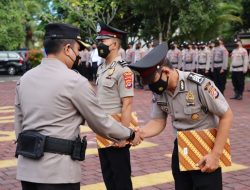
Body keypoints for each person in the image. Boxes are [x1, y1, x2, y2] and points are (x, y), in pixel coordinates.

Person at [14, 23, 141, 190]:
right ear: (67, 49)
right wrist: (130, 134)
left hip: (28, 169)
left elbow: (19, 123)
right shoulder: (74, 81)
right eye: (77, 49)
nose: (78, 55)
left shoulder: (24, 79)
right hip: (59, 172)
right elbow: (99, 121)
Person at [128, 43, 233, 190]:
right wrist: (140, 133)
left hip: (205, 149)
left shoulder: (198, 84)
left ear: (165, 71)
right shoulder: (160, 90)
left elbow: (226, 115)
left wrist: (216, 155)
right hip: (181, 148)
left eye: (152, 81)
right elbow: (158, 121)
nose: (151, 86)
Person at [95, 21, 135, 190]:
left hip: (117, 131)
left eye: (102, 41)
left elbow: (127, 104)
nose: (99, 45)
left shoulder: (123, 70)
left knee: (121, 179)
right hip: (102, 130)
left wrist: (124, 135)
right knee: (109, 176)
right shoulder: (102, 68)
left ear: (113, 43)